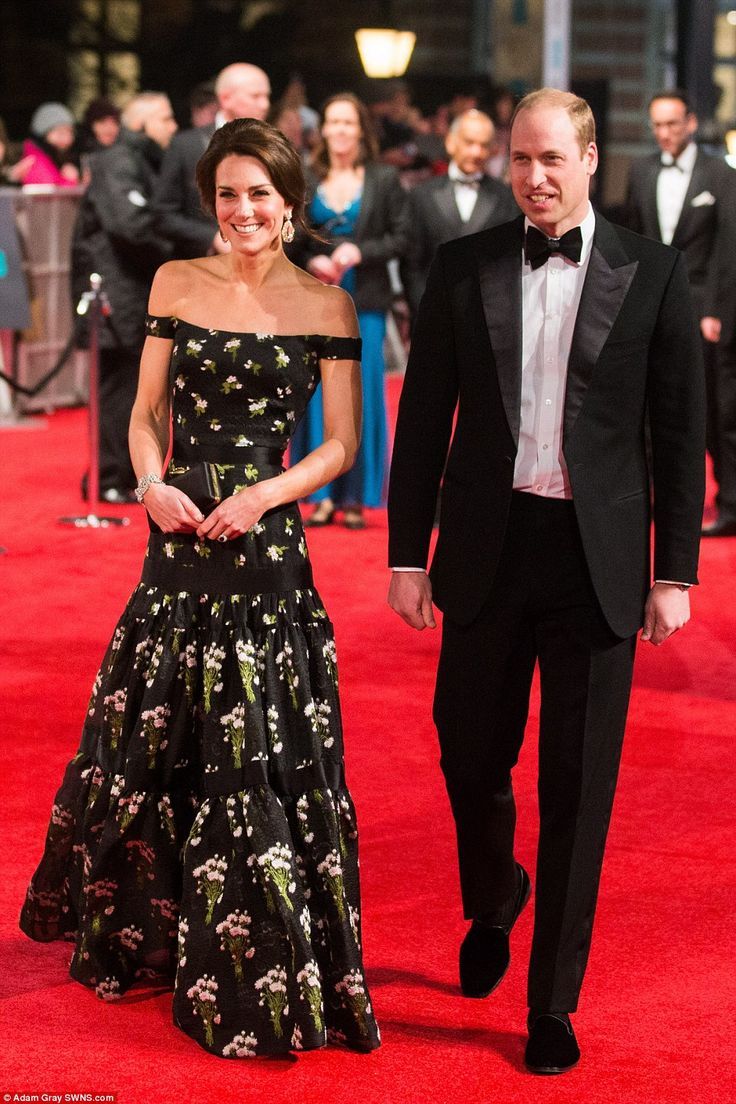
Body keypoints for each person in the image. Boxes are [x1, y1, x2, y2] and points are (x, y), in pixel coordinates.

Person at [20, 117, 381, 1060]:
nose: (243, 210)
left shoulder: (326, 307)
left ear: (290, 203)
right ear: (211, 201)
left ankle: (258, 949)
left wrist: (264, 493)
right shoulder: (177, 283)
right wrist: (150, 485)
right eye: (228, 193)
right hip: (176, 542)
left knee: (259, 749)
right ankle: (152, 925)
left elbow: (340, 445)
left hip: (267, 554)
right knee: (158, 731)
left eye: (260, 193)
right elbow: (144, 413)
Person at [387, 88, 705, 1074]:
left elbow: (677, 429)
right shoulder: (463, 266)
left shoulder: (650, 272)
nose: (533, 176)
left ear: (589, 160)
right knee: (466, 754)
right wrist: (406, 552)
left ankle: (550, 1004)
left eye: (551, 159)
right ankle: (493, 895)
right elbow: (423, 414)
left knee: (578, 787)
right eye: (520, 159)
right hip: (487, 547)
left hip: (595, 562)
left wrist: (673, 571)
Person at [290, 92, 409, 529]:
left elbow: (402, 237)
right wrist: (311, 260)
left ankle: (357, 495)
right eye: (332, 122)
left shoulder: (384, 179)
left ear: (361, 129)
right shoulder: (305, 176)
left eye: (347, 122)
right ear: (322, 130)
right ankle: (320, 494)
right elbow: (291, 238)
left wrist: (361, 251)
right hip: (316, 305)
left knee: (363, 399)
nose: (339, 130)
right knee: (318, 397)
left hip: (367, 305)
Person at [625, 89, 736, 537]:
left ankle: (730, 503)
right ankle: (648, 499)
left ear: (690, 122)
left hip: (705, 311)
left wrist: (717, 311)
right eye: (657, 125)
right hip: (653, 305)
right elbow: (631, 237)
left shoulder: (721, 174)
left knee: (720, 412)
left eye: (672, 123)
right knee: (649, 408)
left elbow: (730, 249)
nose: (664, 132)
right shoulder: (640, 169)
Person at [71, 92, 177, 502]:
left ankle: (116, 474)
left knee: (129, 385)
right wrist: (175, 254)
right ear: (142, 124)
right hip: (117, 292)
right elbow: (130, 225)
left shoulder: (134, 161)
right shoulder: (120, 160)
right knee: (121, 385)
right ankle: (109, 476)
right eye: (164, 118)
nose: (172, 126)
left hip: (127, 287)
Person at [402, 109, 518, 318]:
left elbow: (509, 265)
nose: (476, 152)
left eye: (483, 145)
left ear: (493, 150)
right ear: (450, 142)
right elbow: (411, 263)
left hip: (488, 320)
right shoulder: (422, 195)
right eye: (469, 142)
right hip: (432, 315)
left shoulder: (506, 198)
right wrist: (422, 309)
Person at [152, 62, 271, 260]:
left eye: (267, 96)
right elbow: (162, 215)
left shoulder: (277, 146)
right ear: (225, 98)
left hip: (263, 263)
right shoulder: (186, 145)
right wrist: (212, 238)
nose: (265, 104)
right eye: (255, 96)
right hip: (200, 264)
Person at [19, 102, 80, 186]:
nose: (66, 139)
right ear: (43, 134)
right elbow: (47, 196)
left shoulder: (54, 158)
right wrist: (70, 181)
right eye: (60, 133)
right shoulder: (35, 162)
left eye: (70, 132)